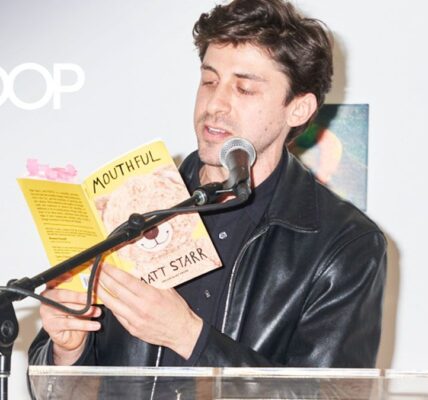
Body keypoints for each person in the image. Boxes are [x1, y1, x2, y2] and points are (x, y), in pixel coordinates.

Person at [29, 0, 386, 371]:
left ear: (298, 108)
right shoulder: (129, 204)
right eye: (209, 81)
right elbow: (54, 383)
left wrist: (188, 336)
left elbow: (328, 394)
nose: (215, 104)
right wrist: (67, 352)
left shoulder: (344, 243)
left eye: (244, 89)